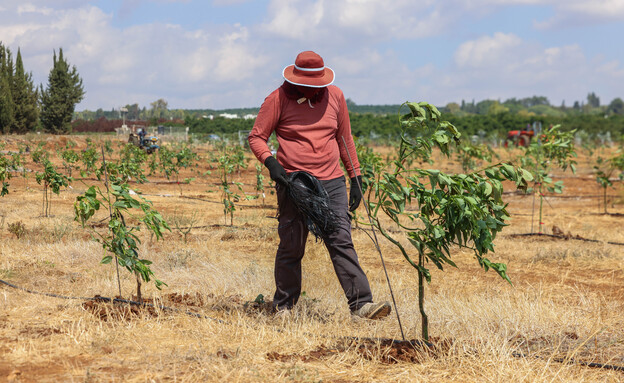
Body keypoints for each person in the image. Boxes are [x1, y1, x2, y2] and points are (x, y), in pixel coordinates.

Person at [248, 51, 391, 320]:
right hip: (294, 182)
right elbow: (257, 137)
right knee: (292, 245)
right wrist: (271, 163)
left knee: (341, 239)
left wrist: (356, 177)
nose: (315, 90)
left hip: (332, 180)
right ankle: (284, 307)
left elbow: (344, 138)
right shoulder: (277, 99)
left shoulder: (335, 96)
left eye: (318, 85)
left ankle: (361, 305)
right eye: (309, 86)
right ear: (296, 79)